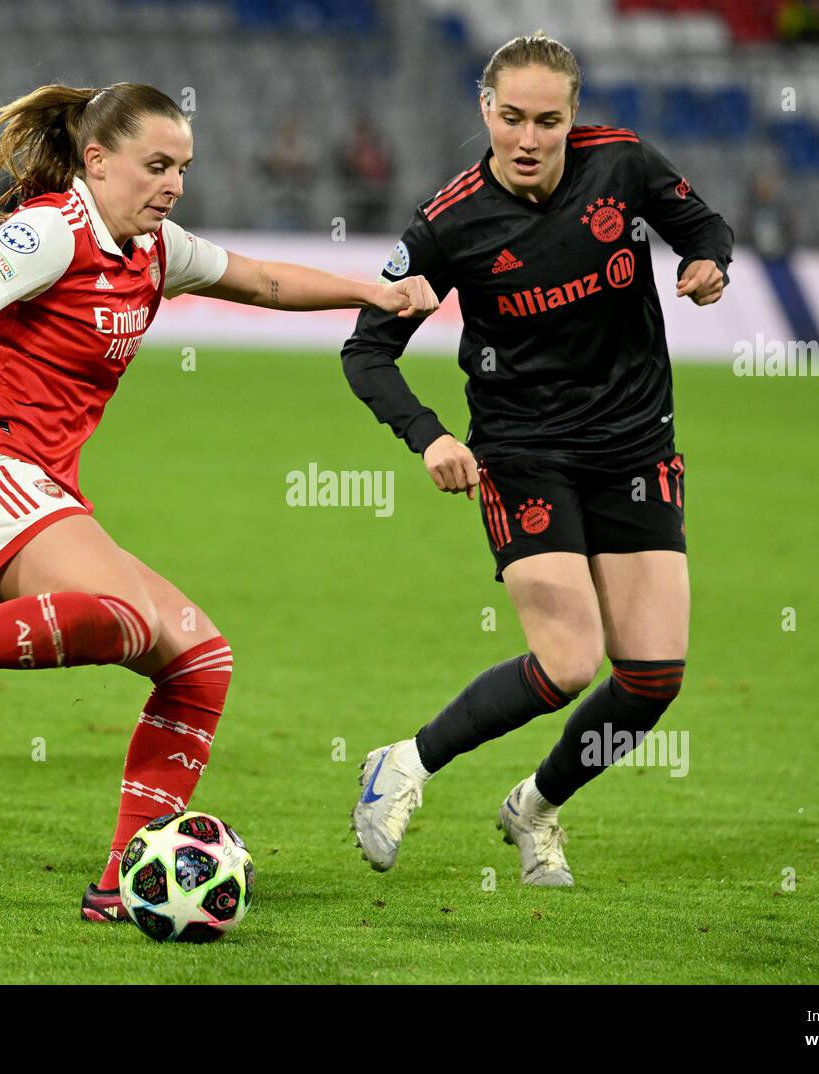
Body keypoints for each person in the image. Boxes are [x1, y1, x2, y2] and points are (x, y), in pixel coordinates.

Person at [0, 81, 440, 921]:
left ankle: (120, 881)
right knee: (117, 612)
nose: (173, 183)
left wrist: (372, 293)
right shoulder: (52, 231)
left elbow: (258, 280)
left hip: (37, 491)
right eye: (156, 165)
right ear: (98, 162)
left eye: (181, 166)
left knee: (198, 661)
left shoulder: (153, 247)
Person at [343, 32, 733, 887]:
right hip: (524, 453)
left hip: (634, 446)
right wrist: (432, 436)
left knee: (652, 678)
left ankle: (537, 809)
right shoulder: (448, 224)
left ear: (573, 118)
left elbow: (702, 223)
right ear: (485, 110)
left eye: (546, 121)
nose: (527, 139)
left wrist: (710, 263)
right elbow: (367, 350)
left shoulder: (622, 165)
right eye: (511, 117)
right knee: (566, 660)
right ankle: (404, 763)